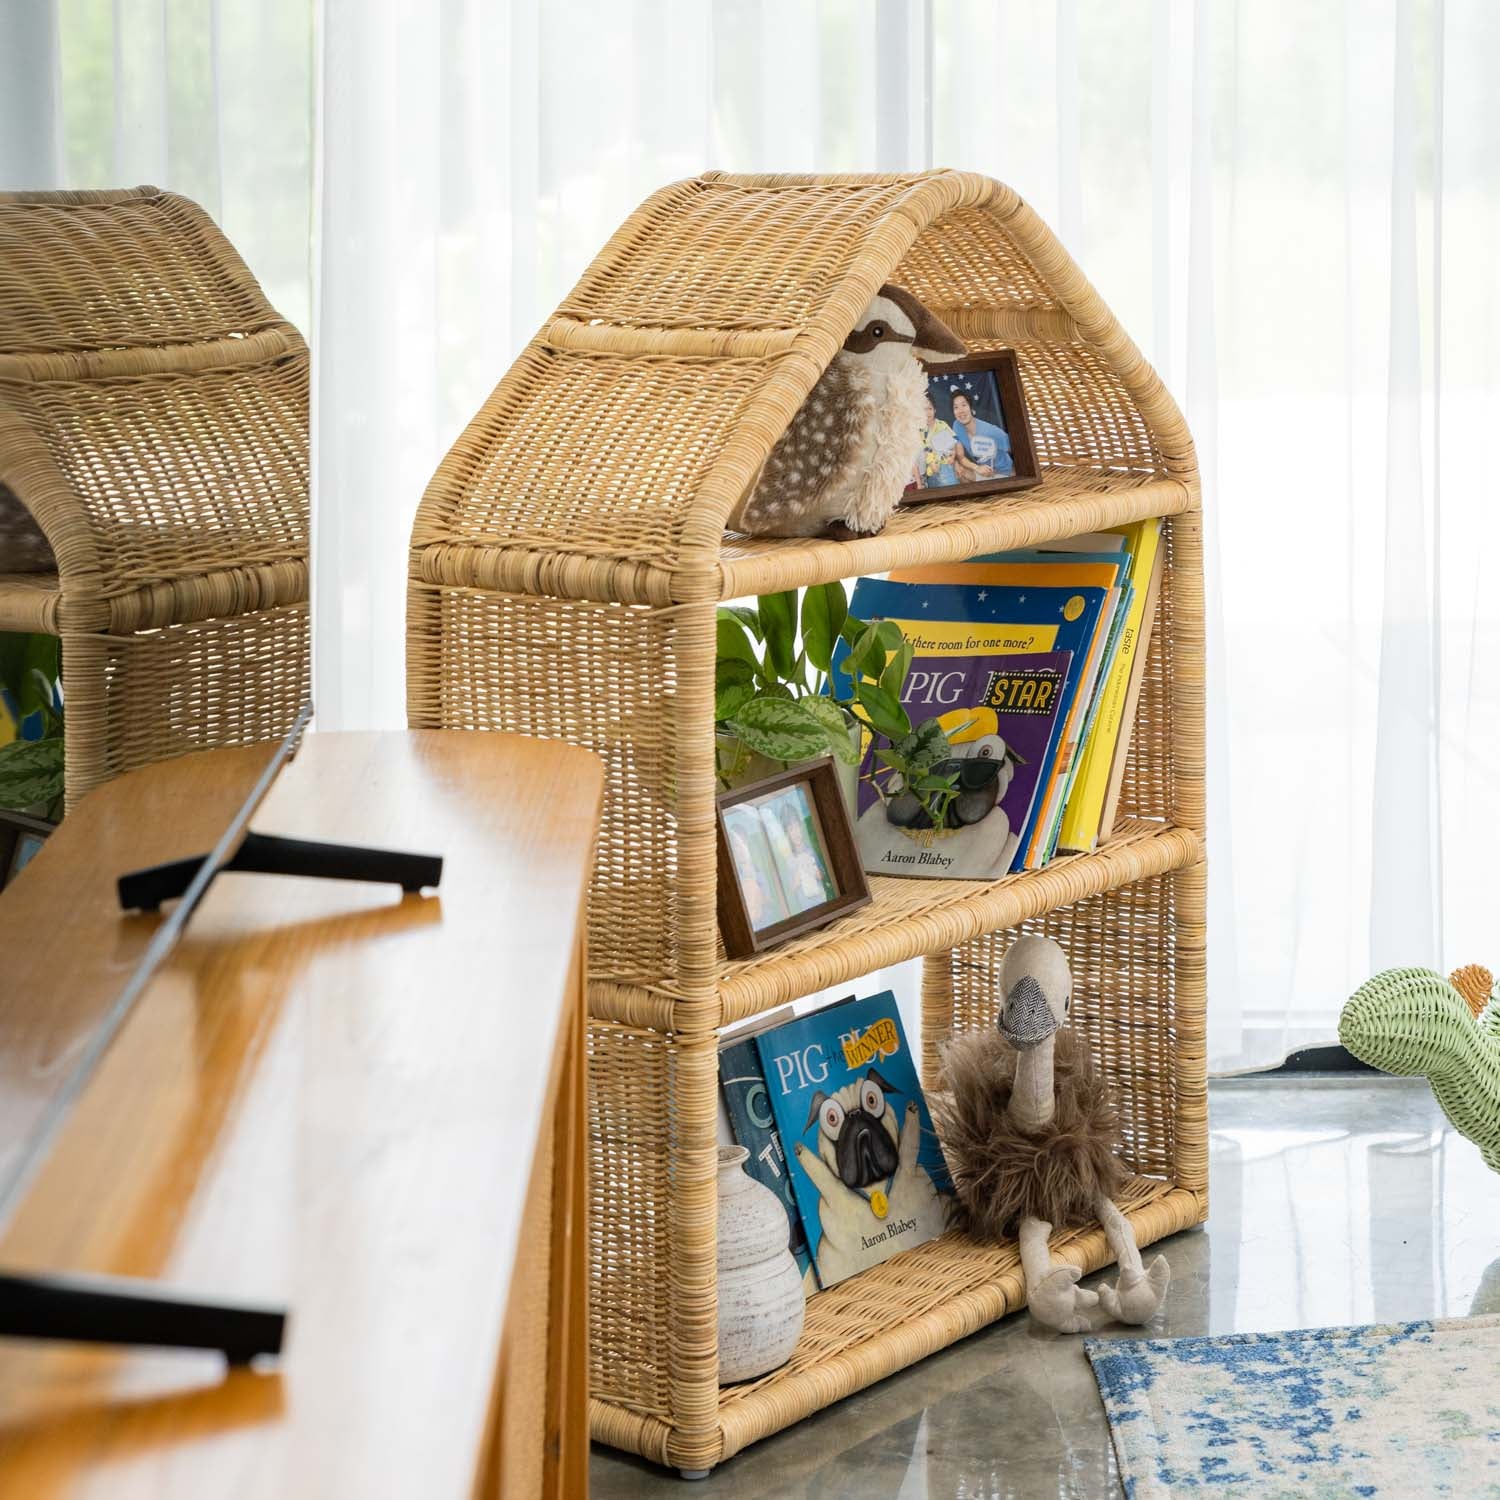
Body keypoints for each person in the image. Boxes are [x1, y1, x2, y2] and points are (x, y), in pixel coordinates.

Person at [950, 388, 1014, 480]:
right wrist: (977, 468)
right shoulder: (957, 425)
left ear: (971, 407)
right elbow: (961, 457)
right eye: (956, 407)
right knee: (958, 471)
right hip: (983, 472)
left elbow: (1016, 450)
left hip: (1004, 474)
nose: (961, 411)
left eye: (964, 405)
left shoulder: (990, 431)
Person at [915, 394, 961, 488]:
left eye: (930, 409)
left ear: (935, 410)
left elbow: (954, 441)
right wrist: (931, 463)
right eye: (924, 410)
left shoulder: (942, 425)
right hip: (930, 471)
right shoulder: (919, 430)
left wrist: (953, 457)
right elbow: (923, 452)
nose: (927, 413)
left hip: (946, 464)